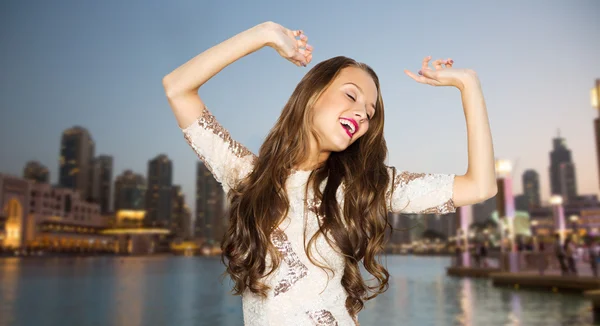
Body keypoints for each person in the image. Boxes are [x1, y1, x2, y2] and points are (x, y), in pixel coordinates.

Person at [162, 21, 497, 326]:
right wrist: (263, 34)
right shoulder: (247, 176)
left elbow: (480, 186)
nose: (362, 114)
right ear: (313, 95)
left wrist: (468, 85)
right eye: (351, 94)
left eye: (369, 112)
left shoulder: (363, 187)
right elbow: (177, 87)